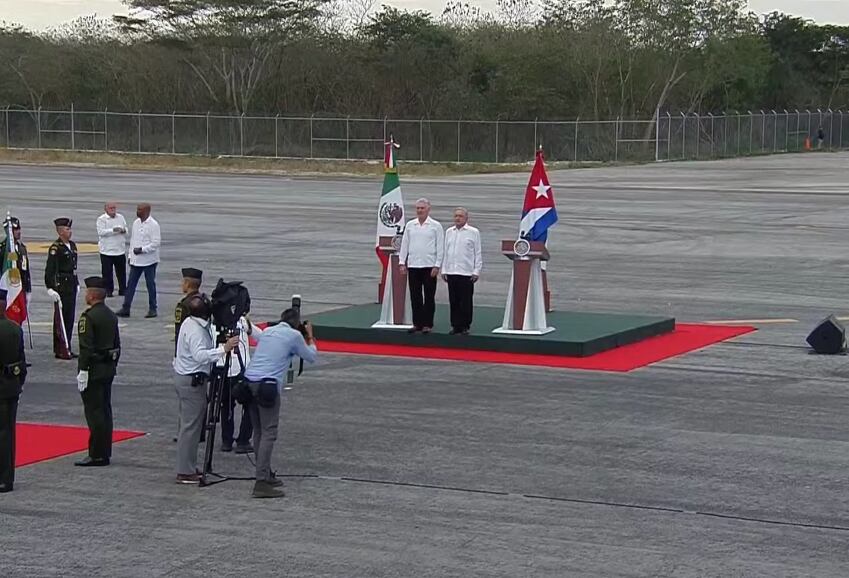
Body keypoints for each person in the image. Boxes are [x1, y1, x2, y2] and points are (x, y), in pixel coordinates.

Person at [243, 308, 317, 498]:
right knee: (269, 433)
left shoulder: (269, 331)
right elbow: (311, 357)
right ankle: (261, 482)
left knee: (259, 431)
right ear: (297, 323)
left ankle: (264, 473)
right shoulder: (294, 336)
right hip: (267, 386)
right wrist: (309, 336)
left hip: (248, 383)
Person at [173, 294, 238, 484]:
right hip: (191, 382)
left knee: (189, 426)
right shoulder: (195, 331)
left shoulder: (190, 323)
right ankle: (185, 471)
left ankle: (188, 466)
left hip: (188, 379)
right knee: (190, 428)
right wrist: (223, 349)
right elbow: (200, 356)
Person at [75, 277, 121, 467]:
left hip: (93, 371)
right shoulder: (111, 315)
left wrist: (83, 370)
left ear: (92, 295)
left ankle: (97, 454)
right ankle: (105, 451)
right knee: (105, 411)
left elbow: (86, 348)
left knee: (94, 413)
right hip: (107, 370)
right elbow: (117, 346)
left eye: (87, 292)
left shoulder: (89, 317)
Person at [398, 198, 444, 334]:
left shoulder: (435, 226)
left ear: (428, 209)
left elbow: (440, 246)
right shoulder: (411, 225)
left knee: (429, 296)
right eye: (418, 208)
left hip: (429, 266)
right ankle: (417, 323)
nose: (419, 211)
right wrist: (402, 262)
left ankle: (428, 324)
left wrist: (437, 265)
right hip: (413, 265)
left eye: (422, 208)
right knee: (415, 295)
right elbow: (405, 244)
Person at [219, 314, 261, 454]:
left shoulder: (215, 322)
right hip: (241, 372)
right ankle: (243, 440)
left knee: (225, 406)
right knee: (251, 405)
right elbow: (260, 336)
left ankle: (226, 441)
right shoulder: (242, 321)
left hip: (222, 370)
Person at [0, 288, 26, 492]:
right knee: (8, 434)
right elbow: (22, 363)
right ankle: (7, 478)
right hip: (11, 388)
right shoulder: (15, 329)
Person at [442, 207, 482, 335]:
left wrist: (476, 271)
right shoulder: (449, 232)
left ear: (466, 218)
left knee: (466, 300)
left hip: (466, 272)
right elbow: (445, 252)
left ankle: (465, 325)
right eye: (456, 216)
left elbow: (478, 252)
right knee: (453, 300)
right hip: (451, 271)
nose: (457, 218)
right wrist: (444, 269)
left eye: (460, 216)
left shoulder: (473, 232)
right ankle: (455, 325)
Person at [117, 203, 160, 319]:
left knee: (150, 284)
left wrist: (142, 250)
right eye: (137, 209)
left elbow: (156, 243)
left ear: (147, 211)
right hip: (136, 261)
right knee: (130, 284)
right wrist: (130, 256)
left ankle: (153, 308)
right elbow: (133, 240)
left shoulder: (153, 225)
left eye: (140, 209)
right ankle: (126, 307)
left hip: (149, 261)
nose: (138, 211)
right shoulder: (136, 223)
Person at [45, 217, 78, 359]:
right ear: (59, 231)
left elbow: (74, 267)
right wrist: (50, 288)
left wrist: (76, 283)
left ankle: (67, 345)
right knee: (61, 318)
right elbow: (50, 270)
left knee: (70, 317)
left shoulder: (73, 245)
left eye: (70, 229)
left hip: (71, 284)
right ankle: (59, 348)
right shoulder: (55, 248)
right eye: (66, 229)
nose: (69, 232)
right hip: (61, 286)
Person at [96, 202, 128, 298]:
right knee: (107, 272)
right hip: (107, 251)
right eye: (110, 208)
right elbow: (101, 232)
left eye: (114, 207)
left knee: (121, 272)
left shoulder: (120, 217)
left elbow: (126, 229)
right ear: (106, 209)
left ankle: (123, 289)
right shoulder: (101, 219)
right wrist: (113, 230)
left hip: (119, 250)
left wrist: (123, 230)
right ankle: (108, 290)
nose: (113, 209)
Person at [174, 268, 202, 354]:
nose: (182, 284)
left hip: (187, 349)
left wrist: (177, 353)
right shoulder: (204, 301)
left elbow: (179, 331)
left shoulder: (183, 306)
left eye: (183, 282)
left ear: (187, 283)